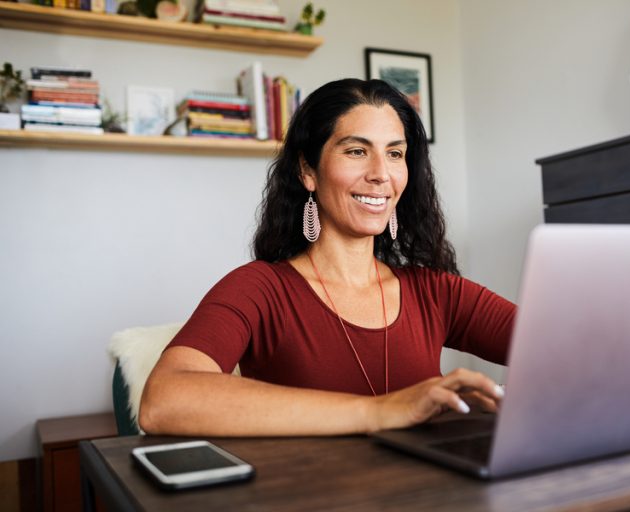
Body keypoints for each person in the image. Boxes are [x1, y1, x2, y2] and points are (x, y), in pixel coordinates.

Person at [139, 79, 517, 437]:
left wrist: (473, 404)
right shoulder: (259, 288)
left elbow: (564, 348)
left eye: (395, 153)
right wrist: (379, 411)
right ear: (308, 171)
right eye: (356, 151)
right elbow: (163, 401)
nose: (381, 174)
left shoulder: (437, 291)